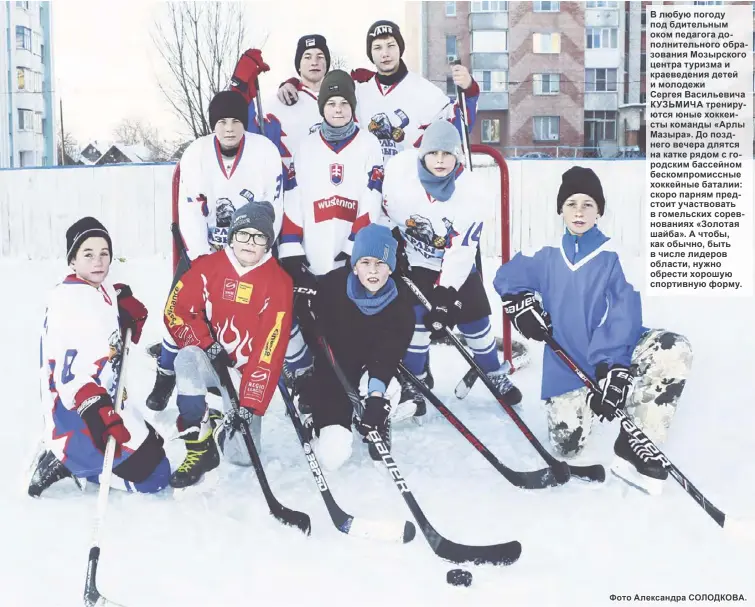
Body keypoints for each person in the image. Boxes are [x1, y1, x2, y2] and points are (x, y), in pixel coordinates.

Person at [493, 166, 693, 495]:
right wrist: (522, 305)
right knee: (566, 446)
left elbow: (624, 311)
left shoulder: (615, 255)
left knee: (674, 349)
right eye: (571, 203)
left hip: (612, 352)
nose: (579, 211)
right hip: (566, 364)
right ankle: (588, 399)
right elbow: (507, 277)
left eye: (588, 204)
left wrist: (614, 367)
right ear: (560, 209)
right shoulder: (546, 252)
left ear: (599, 210)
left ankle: (638, 440)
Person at [147, 90, 285, 413]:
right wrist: (204, 263)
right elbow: (190, 211)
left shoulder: (265, 153)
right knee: (178, 309)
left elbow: (272, 209)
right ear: (213, 124)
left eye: (236, 121)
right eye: (222, 121)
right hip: (204, 254)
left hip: (250, 253)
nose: (229, 128)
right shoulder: (195, 154)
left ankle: (239, 379)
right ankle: (165, 372)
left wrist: (250, 255)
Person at [380, 120, 522, 415]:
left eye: (447, 154)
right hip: (414, 261)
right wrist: (388, 245)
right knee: (416, 321)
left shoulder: (471, 191)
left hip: (453, 264)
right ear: (422, 154)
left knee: (476, 320)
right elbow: (381, 211)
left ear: (457, 156)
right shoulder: (399, 173)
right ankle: (414, 382)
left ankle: (493, 374)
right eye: (434, 154)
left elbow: (462, 250)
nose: (441, 160)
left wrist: (446, 294)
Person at [28, 217, 170, 498]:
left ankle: (77, 460)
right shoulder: (73, 304)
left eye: (104, 253)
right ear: (72, 260)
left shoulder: (93, 288)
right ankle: (72, 463)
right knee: (156, 477)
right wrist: (97, 412)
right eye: (88, 254)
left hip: (107, 398)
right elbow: (71, 374)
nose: (98, 261)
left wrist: (120, 304)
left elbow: (105, 321)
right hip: (80, 414)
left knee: (156, 446)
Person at [163, 200, 293, 489]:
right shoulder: (207, 267)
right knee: (185, 360)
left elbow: (269, 350)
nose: (250, 242)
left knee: (243, 456)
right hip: (208, 360)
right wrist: (207, 344)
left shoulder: (279, 283)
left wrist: (250, 404)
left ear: (268, 243)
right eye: (243, 234)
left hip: (242, 374)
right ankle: (200, 444)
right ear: (232, 235)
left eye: (259, 237)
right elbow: (175, 312)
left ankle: (223, 423)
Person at [278, 70, 385, 409]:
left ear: (353, 107)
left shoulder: (369, 144)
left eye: (344, 103)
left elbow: (372, 200)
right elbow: (294, 198)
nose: (338, 109)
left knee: (348, 322)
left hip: (348, 254)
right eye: (331, 103)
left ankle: (352, 384)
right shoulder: (306, 147)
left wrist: (353, 251)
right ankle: (314, 383)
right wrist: (293, 251)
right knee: (313, 323)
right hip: (315, 251)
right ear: (322, 107)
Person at [276, 21, 479, 164]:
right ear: (370, 54)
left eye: (391, 45)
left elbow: (460, 128)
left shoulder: (425, 92)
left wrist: (469, 90)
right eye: (377, 47)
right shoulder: (359, 91)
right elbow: (323, 96)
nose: (385, 53)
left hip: (409, 191)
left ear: (400, 48)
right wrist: (292, 83)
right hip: (366, 193)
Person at [305, 223, 415, 470]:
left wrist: (376, 397)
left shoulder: (401, 305)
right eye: (365, 262)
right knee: (333, 458)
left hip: (371, 369)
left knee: (390, 389)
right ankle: (322, 423)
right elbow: (313, 332)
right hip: (336, 373)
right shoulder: (331, 287)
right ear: (354, 266)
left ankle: (376, 416)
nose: (373, 270)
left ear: (391, 268)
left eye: (381, 263)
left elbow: (387, 356)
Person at [231, 35, 331, 174]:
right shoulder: (278, 103)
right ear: (299, 66)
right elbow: (247, 135)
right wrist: (240, 89)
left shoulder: (345, 101)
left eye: (320, 56)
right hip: (291, 191)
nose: (314, 62)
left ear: (327, 63)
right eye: (307, 57)